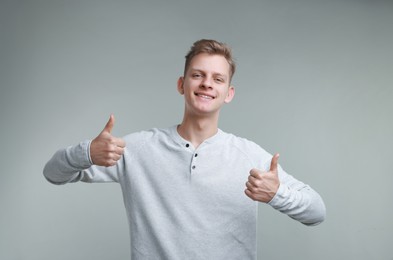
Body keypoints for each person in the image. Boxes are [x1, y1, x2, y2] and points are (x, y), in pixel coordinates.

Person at [43, 39, 326, 260]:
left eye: (218, 79)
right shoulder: (139, 149)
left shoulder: (248, 155)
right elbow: (53, 173)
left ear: (229, 93)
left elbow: (317, 212)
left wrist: (277, 194)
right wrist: (87, 153)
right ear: (182, 84)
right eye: (198, 75)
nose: (206, 84)